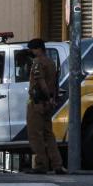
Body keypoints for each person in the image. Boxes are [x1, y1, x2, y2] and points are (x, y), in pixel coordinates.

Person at [25, 39, 67, 175]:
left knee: (35, 134)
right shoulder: (51, 62)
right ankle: (57, 164)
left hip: (38, 102)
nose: (30, 52)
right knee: (49, 134)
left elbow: (40, 80)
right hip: (48, 103)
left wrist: (46, 96)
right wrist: (52, 99)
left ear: (38, 49)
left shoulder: (37, 62)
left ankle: (41, 165)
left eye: (31, 49)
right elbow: (55, 82)